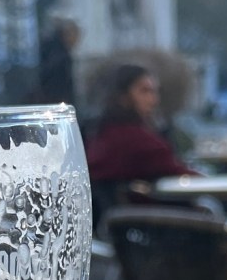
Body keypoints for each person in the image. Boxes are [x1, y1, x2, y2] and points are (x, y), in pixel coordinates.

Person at [83, 64, 197, 227]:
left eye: (154, 91)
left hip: (125, 232)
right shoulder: (137, 142)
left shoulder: (99, 136)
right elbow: (185, 176)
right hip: (163, 230)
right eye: (145, 91)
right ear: (122, 96)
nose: (154, 100)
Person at [36, 17, 80, 107]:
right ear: (66, 34)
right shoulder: (60, 58)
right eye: (75, 35)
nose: (76, 40)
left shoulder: (57, 54)